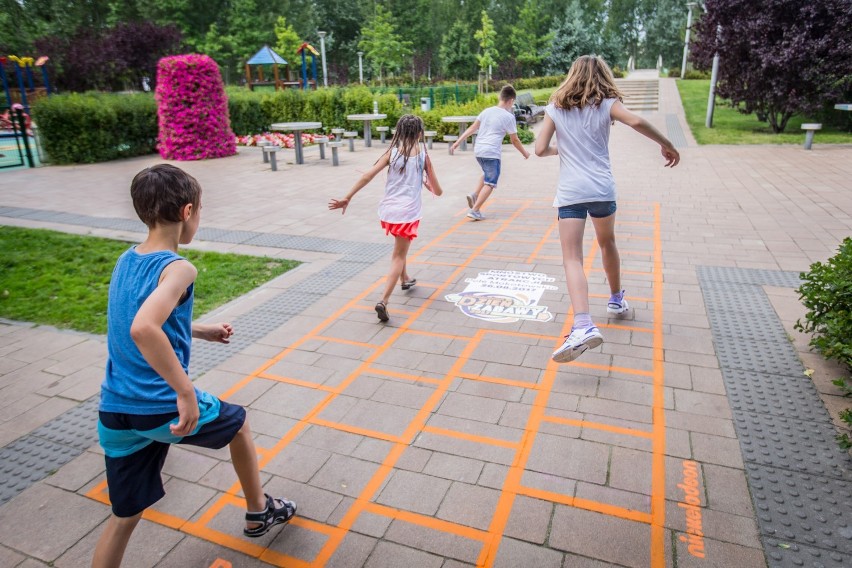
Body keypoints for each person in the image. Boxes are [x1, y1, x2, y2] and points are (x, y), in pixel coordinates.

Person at [92, 164, 296, 568]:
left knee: (125, 516)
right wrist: (185, 392)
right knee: (237, 423)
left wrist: (201, 331)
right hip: (158, 404)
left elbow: (134, 321)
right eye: (199, 212)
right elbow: (143, 327)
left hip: (114, 409)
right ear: (188, 212)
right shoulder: (179, 267)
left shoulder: (126, 260)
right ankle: (259, 513)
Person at [535, 55, 680, 363]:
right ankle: (616, 300)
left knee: (572, 258)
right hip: (601, 189)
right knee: (607, 243)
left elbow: (538, 150)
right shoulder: (606, 104)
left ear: (571, 75)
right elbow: (637, 121)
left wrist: (564, 148)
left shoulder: (555, 108)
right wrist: (667, 143)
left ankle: (583, 324)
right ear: (602, 75)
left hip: (571, 193)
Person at [329, 114, 443, 322]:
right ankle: (384, 301)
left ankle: (405, 278)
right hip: (407, 214)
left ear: (398, 133)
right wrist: (427, 184)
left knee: (400, 247)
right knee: (398, 256)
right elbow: (439, 191)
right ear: (419, 134)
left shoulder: (392, 153)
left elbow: (367, 175)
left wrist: (348, 197)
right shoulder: (423, 157)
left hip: (389, 212)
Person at [451, 84, 530, 221]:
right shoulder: (508, 117)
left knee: (487, 173)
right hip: (491, 152)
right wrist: (525, 153)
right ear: (511, 101)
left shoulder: (486, 111)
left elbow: (472, 128)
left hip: (479, 150)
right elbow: (515, 140)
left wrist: (458, 141)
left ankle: (475, 194)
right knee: (491, 183)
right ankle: (475, 210)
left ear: (500, 97)